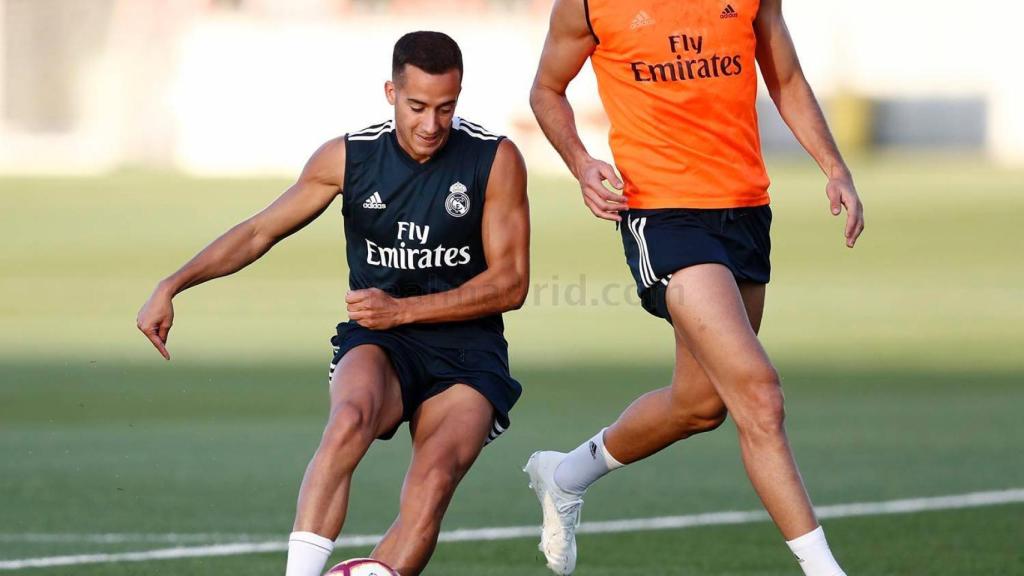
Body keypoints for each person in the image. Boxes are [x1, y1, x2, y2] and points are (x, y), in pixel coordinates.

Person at [136, 31, 530, 576]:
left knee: (433, 482)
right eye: (417, 106)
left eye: (446, 107)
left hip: (468, 349)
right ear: (391, 92)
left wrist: (404, 310)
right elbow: (258, 232)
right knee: (349, 419)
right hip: (381, 339)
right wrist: (173, 284)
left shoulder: (494, 159)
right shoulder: (350, 156)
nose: (431, 124)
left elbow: (510, 284)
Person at [524, 1, 863, 574]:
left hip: (745, 212)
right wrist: (581, 161)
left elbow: (785, 76)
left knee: (700, 406)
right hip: (663, 215)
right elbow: (546, 90)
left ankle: (564, 474)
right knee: (759, 394)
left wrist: (834, 167)